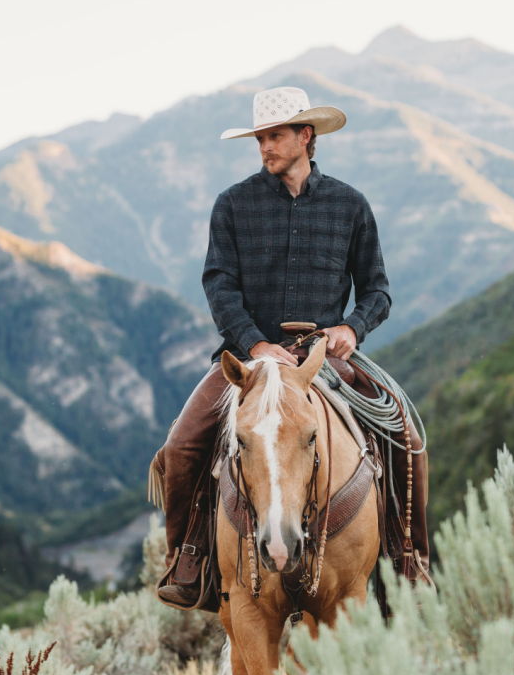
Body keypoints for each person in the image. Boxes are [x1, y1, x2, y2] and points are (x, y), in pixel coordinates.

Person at [152, 86, 430, 607]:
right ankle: (187, 557)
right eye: (260, 138)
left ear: (306, 137)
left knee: (406, 436)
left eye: (275, 136)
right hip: (253, 360)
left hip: (327, 359)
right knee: (182, 445)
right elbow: (219, 286)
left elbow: (377, 291)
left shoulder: (350, 205)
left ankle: (408, 559)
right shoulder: (232, 205)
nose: (265, 147)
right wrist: (255, 344)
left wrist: (351, 329)